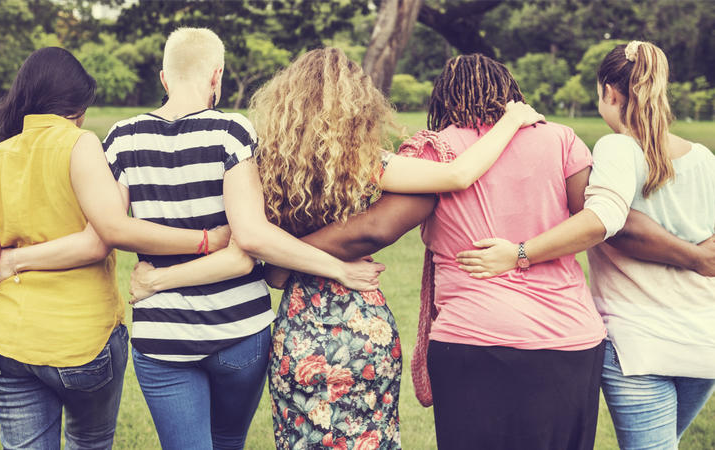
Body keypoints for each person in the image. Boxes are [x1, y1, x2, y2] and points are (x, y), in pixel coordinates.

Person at [129, 47, 543, 449]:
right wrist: (511, 119)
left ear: (285, 101)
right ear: (358, 104)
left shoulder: (265, 166)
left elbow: (265, 260)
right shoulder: (364, 163)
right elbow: (457, 174)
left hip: (299, 331)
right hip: (363, 324)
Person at [0, 32, 383, 450]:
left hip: (162, 337)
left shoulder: (122, 139)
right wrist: (339, 268)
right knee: (228, 439)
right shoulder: (232, 131)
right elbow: (251, 237)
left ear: (164, 78)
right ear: (217, 75)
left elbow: (109, 229)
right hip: (239, 331)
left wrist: (152, 280)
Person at [460, 41, 715, 449]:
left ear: (609, 93)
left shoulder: (617, 147)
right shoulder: (703, 158)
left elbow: (603, 219)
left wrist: (518, 253)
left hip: (638, 344)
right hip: (704, 341)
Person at [0, 46, 231, 450]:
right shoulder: (78, 144)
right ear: (76, 104)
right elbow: (104, 236)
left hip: (5, 341)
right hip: (81, 341)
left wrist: (13, 261)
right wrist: (206, 240)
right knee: (90, 442)